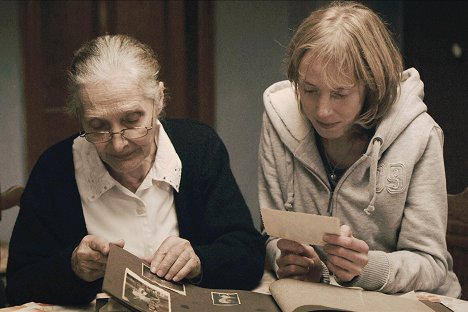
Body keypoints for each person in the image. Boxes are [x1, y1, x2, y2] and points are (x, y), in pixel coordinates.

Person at [7, 34, 265, 305]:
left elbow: (247, 253)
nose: (118, 145)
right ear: (79, 117)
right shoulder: (54, 169)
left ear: (159, 100)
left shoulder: (198, 147)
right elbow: (19, 286)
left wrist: (199, 260)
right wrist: (73, 268)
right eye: (97, 126)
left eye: (132, 120)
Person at [258, 1, 461, 297]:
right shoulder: (279, 119)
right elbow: (271, 235)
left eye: (339, 93)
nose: (322, 110)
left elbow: (432, 264)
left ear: (372, 87)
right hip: (312, 296)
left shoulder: (418, 134)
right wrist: (288, 260)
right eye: (310, 90)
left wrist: (366, 268)